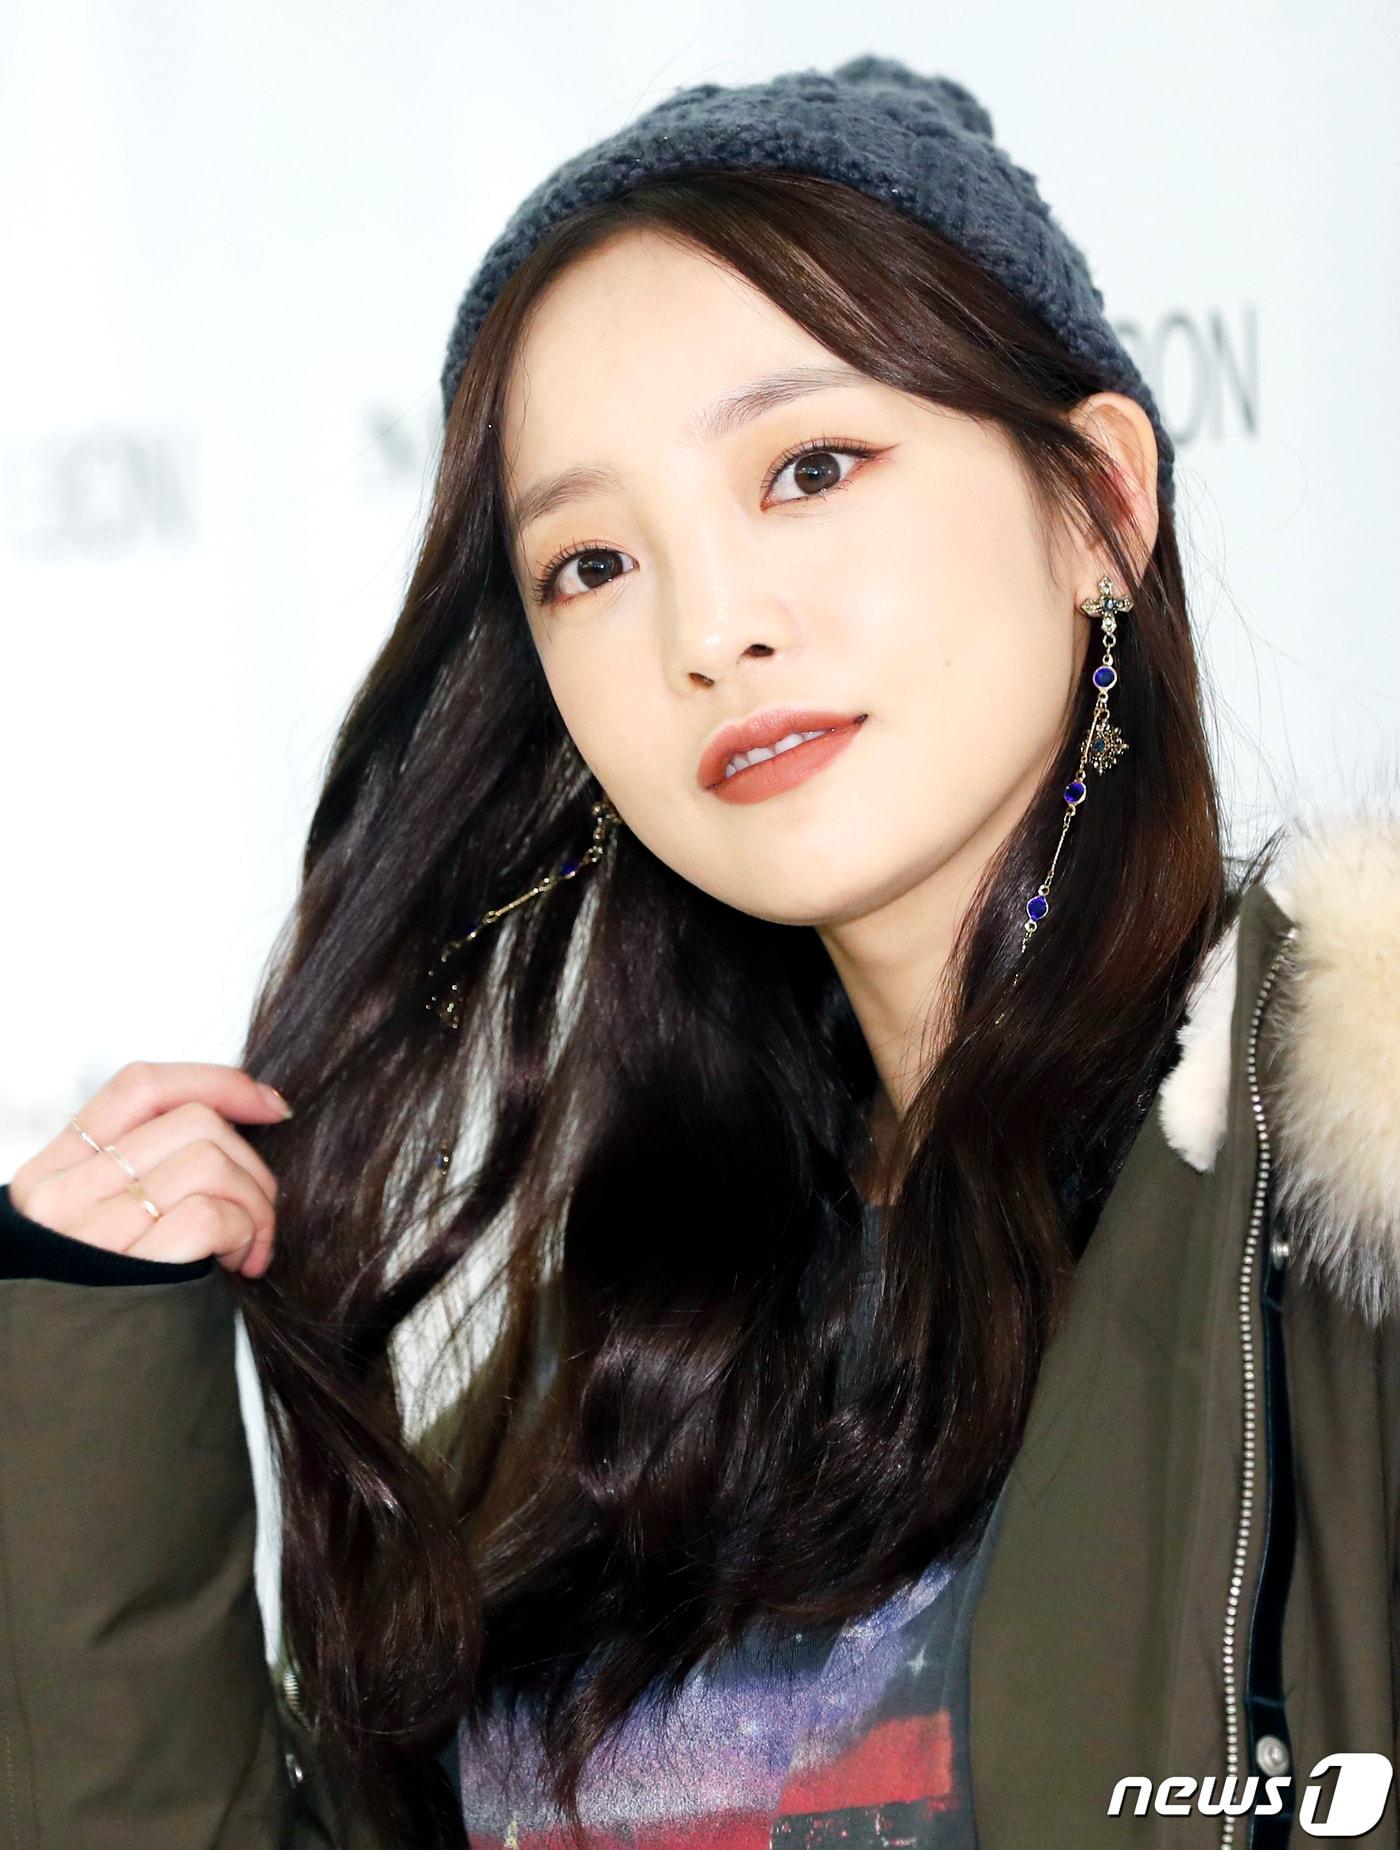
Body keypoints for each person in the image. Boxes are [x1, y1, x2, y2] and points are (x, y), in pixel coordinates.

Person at [2, 50, 1399, 1850]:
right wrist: (103, 1382)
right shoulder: (625, 1341)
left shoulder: (1341, 1189)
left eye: (810, 467)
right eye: (591, 563)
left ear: (1098, 507)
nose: (711, 627)